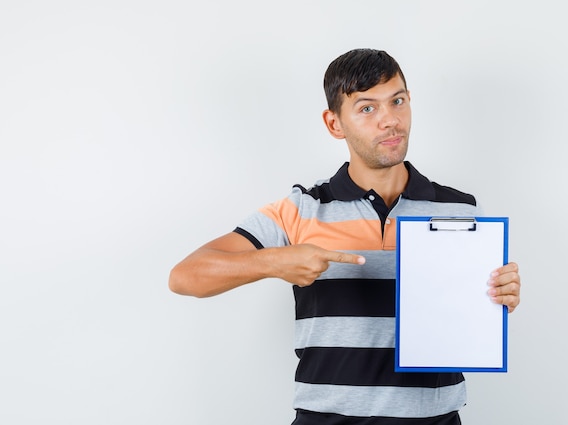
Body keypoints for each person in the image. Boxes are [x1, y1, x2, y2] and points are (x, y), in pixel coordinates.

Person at [169, 48, 521, 425]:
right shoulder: (302, 208)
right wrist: (274, 262)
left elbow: (473, 314)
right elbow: (186, 276)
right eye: (367, 108)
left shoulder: (461, 210)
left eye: (398, 101)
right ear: (335, 123)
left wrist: (499, 295)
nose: (390, 120)